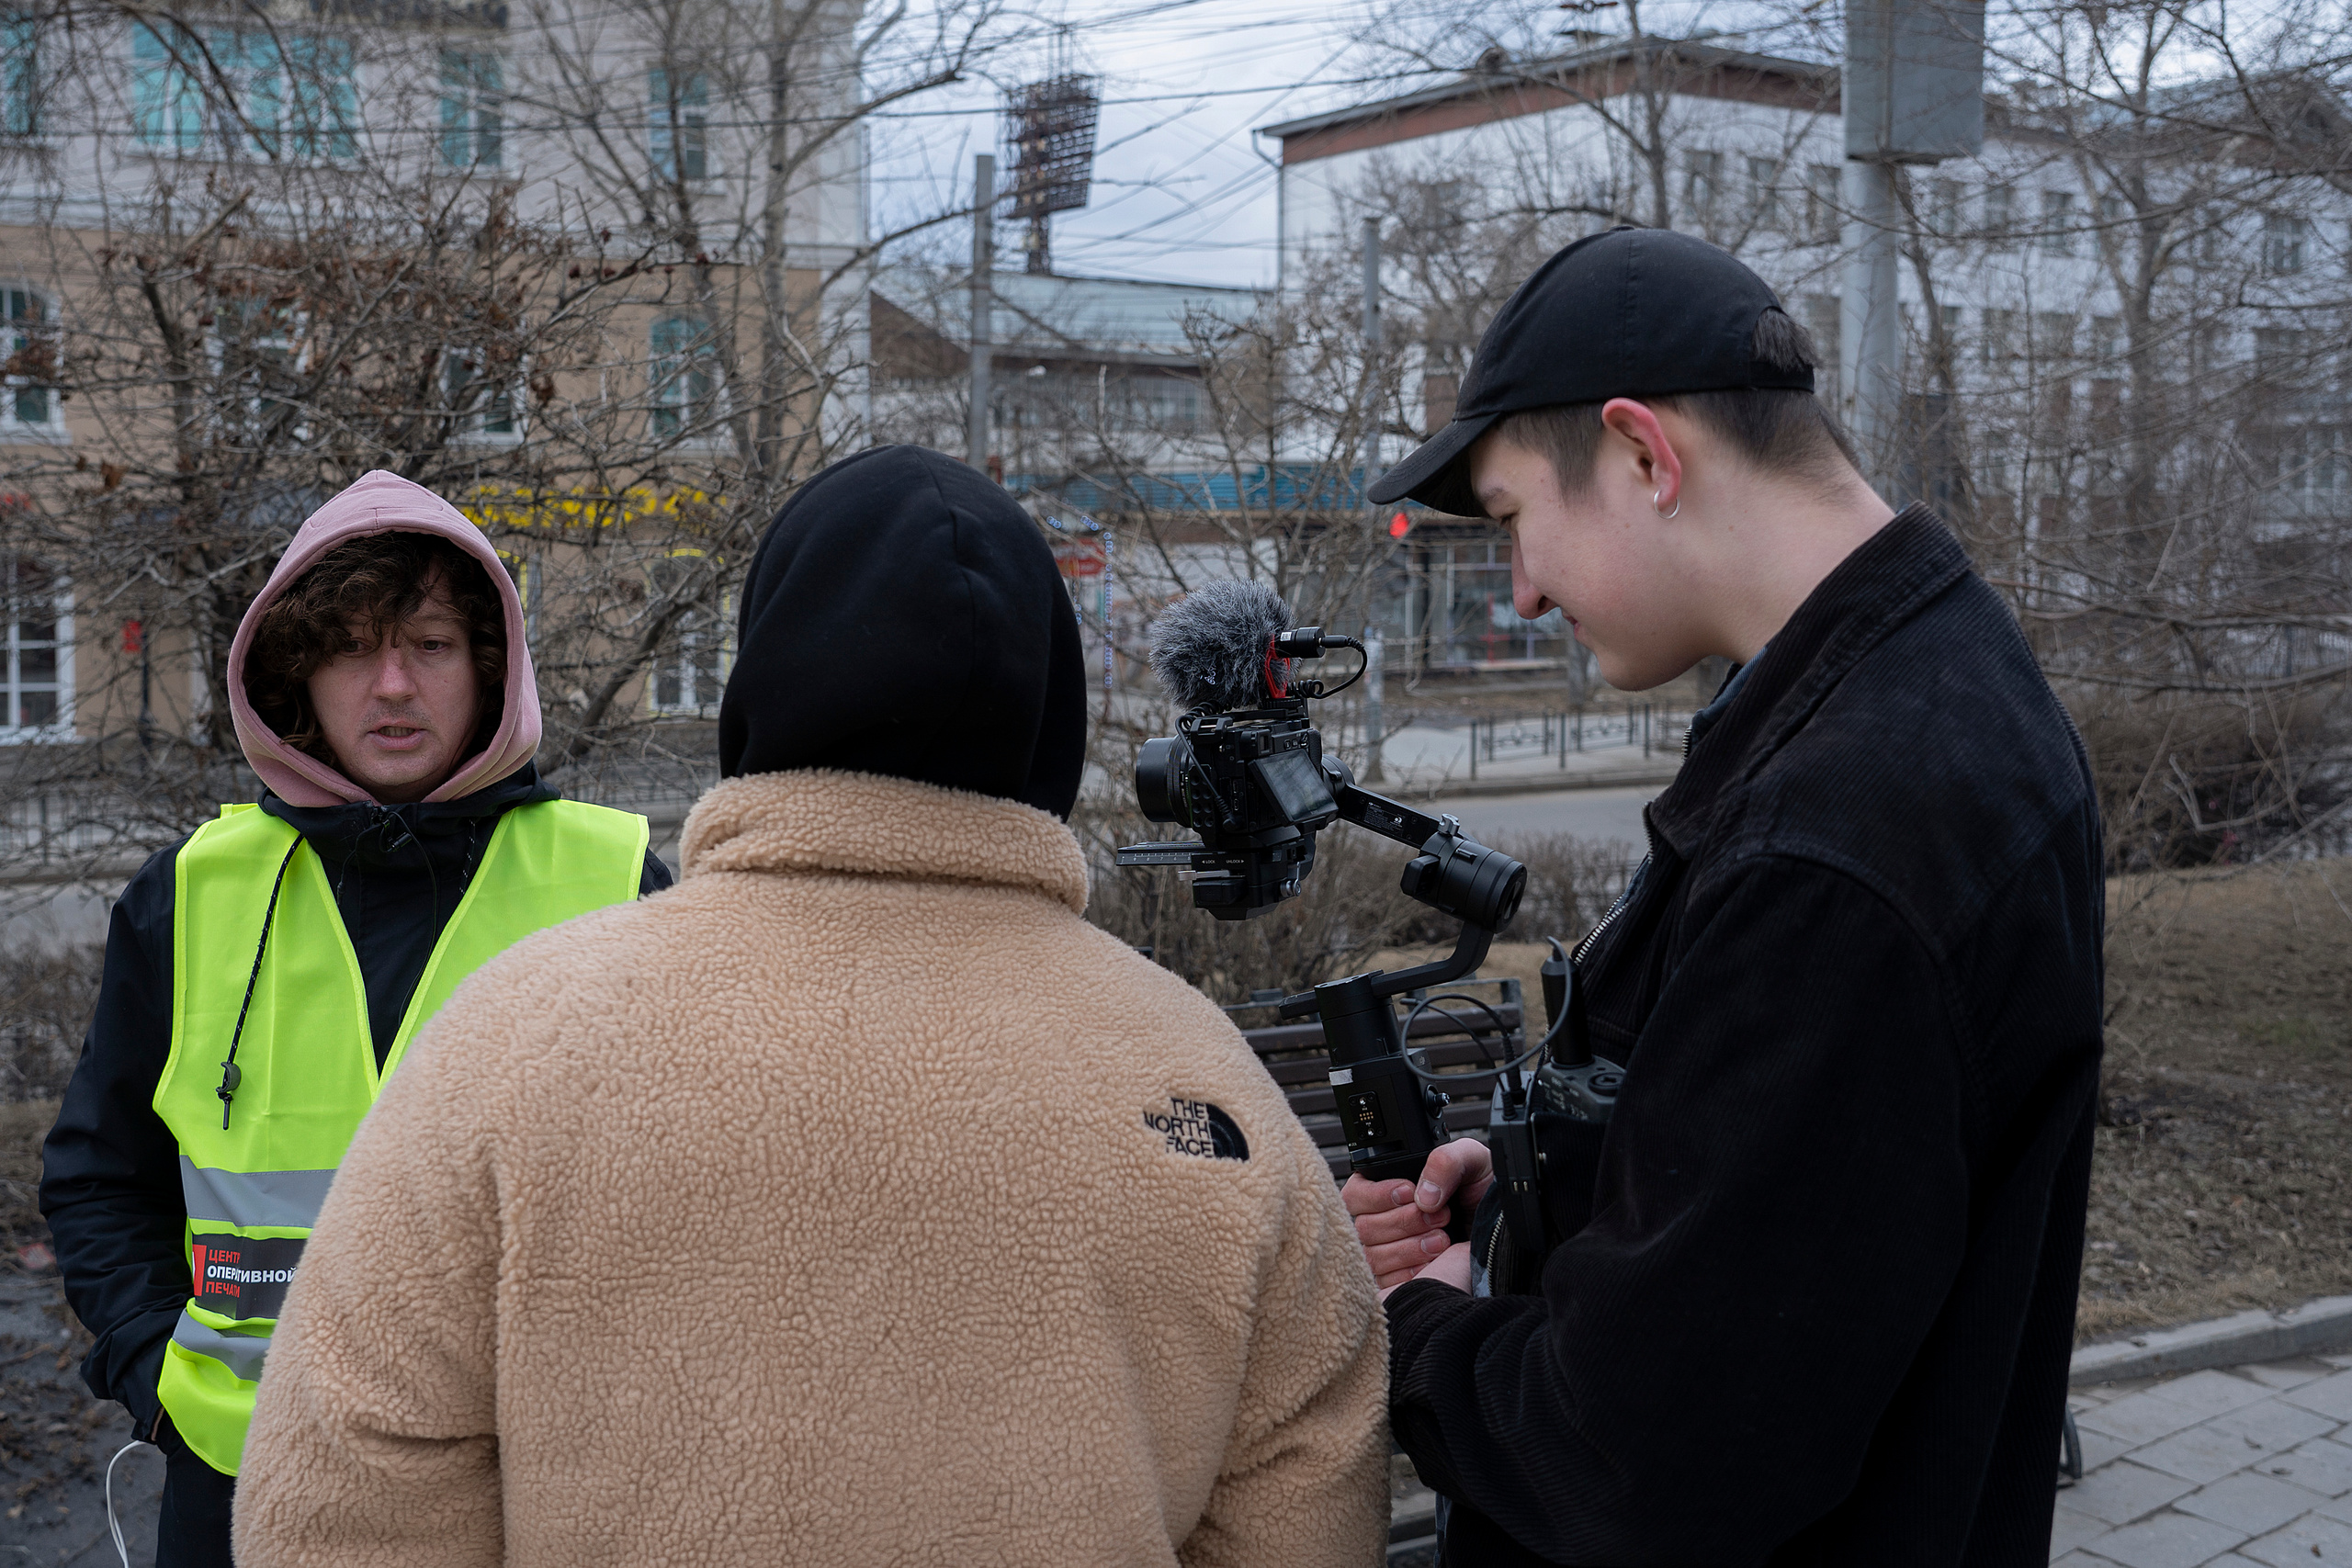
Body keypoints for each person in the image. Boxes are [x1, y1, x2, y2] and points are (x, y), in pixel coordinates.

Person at [231, 445, 1390, 1567]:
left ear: (764, 678)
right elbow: (1308, 1505)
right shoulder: (1202, 1080)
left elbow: (345, 1498)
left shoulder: (512, 1038)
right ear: (1051, 709)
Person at [1350, 228, 2104, 1565]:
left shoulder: (1839, 838)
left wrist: (1415, 1323)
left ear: (1645, 454)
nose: (1522, 591)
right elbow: (1808, 1223)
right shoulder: (1924, 683)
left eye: (1516, 518)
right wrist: (1547, 1189)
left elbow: (1642, 1457)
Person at [40, 471, 669, 1568]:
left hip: (535, 1495)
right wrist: (155, 1376)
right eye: (348, 648)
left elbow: (695, 1198)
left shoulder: (615, 883)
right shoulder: (191, 893)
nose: (391, 685)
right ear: (295, 675)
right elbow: (100, 1176)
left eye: (430, 644)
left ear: (490, 665)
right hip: (240, 1484)